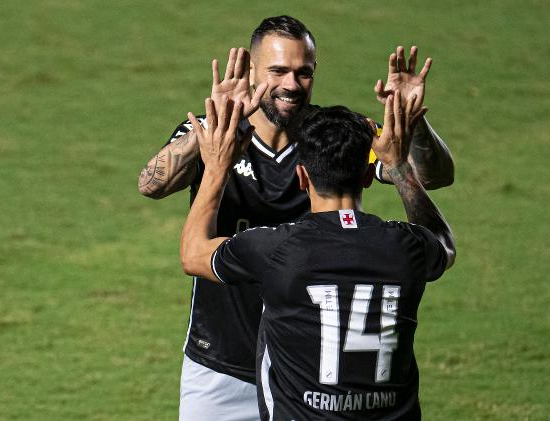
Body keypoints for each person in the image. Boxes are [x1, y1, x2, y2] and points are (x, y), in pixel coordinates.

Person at [137, 16, 454, 420]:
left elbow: (430, 176)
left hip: (309, 370)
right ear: (252, 72)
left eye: (303, 73)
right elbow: (151, 184)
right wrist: (214, 131)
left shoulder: (331, 136)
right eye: (278, 71)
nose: (291, 84)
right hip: (222, 359)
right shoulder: (211, 133)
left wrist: (413, 120)